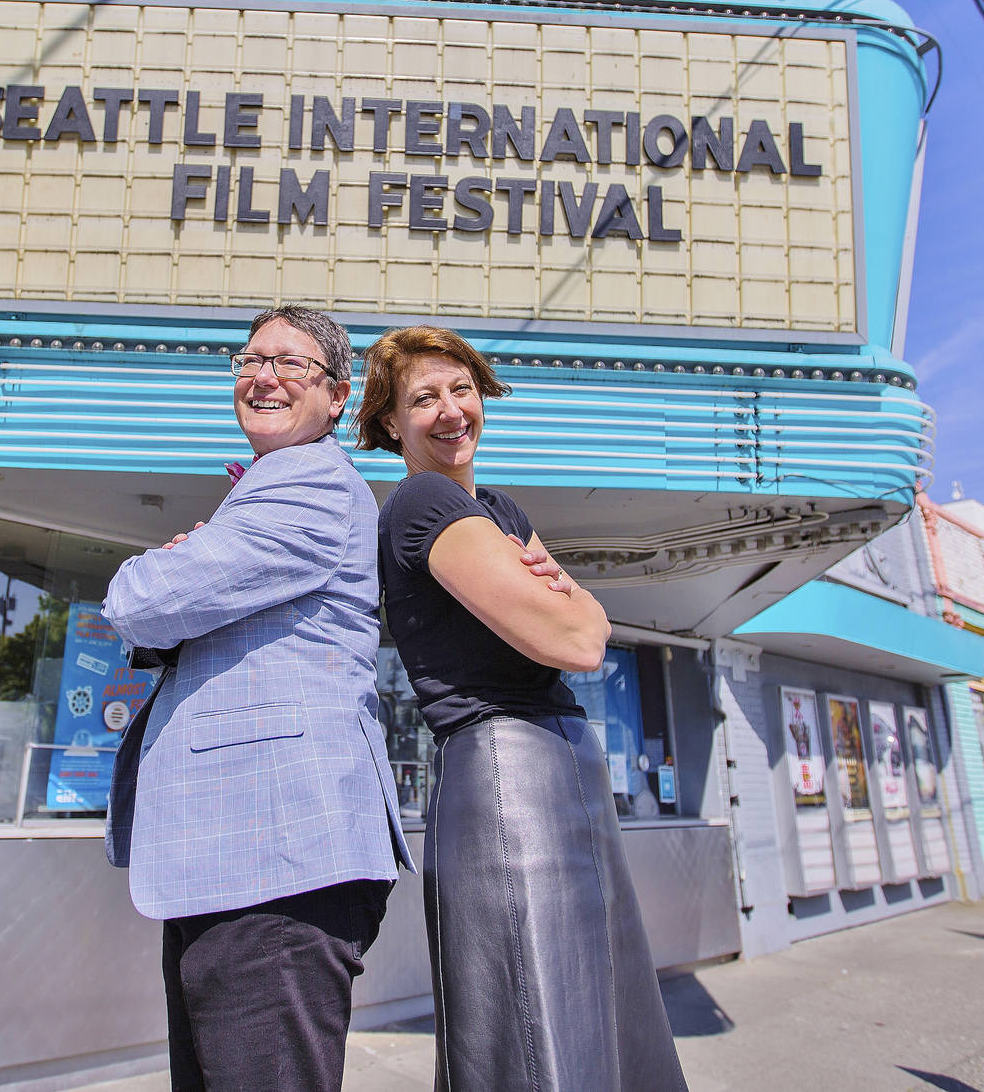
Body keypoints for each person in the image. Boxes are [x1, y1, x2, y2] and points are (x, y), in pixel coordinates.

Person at [356, 325, 688, 1092]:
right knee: (538, 1017)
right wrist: (563, 600)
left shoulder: (498, 504)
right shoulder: (421, 499)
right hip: (509, 772)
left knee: (601, 1008)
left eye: (461, 388)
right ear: (389, 423)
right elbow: (573, 637)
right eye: (423, 397)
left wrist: (572, 606)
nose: (450, 410)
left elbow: (594, 626)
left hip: (561, 761)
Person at [103, 306, 413, 1092]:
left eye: (291, 363)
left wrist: (162, 568)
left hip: (278, 862)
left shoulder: (307, 480)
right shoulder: (270, 490)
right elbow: (181, 620)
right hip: (245, 864)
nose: (264, 375)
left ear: (338, 396)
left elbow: (144, 602)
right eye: (250, 359)